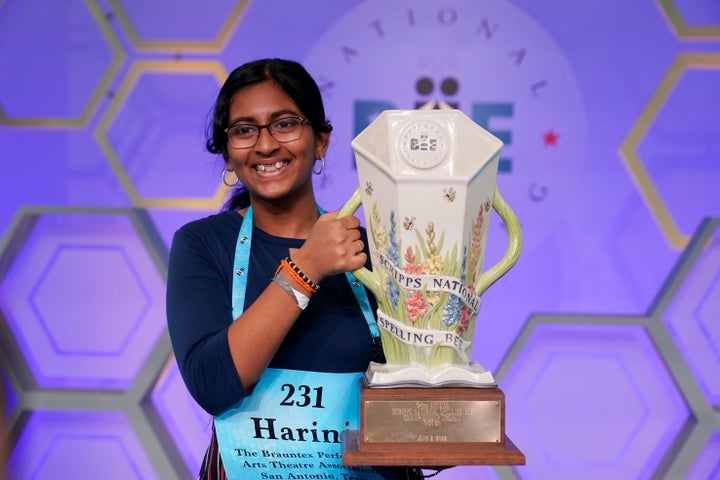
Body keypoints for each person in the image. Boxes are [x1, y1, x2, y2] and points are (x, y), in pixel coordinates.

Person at [166, 58, 423, 480]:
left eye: (285, 124)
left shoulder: (376, 249)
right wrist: (305, 267)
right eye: (245, 130)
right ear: (229, 153)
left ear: (320, 141)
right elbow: (212, 385)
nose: (266, 145)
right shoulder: (203, 245)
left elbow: (417, 403)